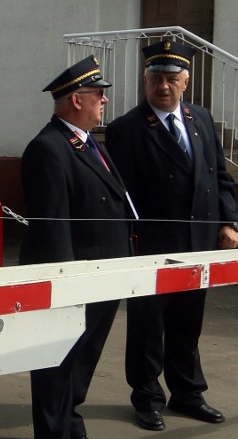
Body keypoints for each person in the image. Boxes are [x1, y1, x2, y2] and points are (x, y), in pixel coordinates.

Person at [105, 40, 238, 432]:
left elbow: (220, 178)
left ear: (185, 82)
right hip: (152, 246)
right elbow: (121, 194)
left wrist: (229, 224)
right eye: (156, 79)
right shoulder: (126, 129)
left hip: (198, 244)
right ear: (146, 81)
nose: (163, 87)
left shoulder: (200, 119)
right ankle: (146, 398)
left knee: (188, 322)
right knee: (147, 327)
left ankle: (188, 393)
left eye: (171, 79)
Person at [20, 55, 135, 439]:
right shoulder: (49, 147)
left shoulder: (89, 143)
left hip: (103, 277)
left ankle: (70, 423)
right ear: (75, 99)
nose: (104, 101)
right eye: (98, 95)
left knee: (82, 362)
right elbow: (53, 228)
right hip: (76, 280)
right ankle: (55, 430)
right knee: (58, 365)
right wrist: (67, 283)